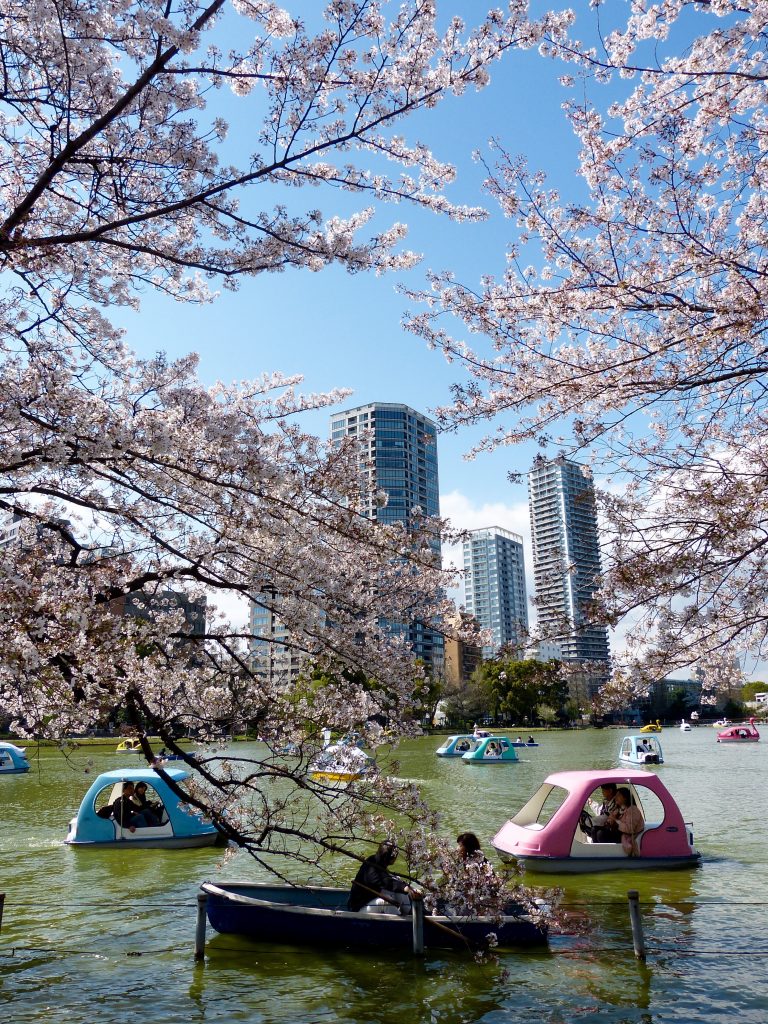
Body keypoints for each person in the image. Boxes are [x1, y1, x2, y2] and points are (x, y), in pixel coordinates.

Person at [349, 841, 421, 913]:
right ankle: (402, 922)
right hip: (360, 908)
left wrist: (411, 889)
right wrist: (405, 888)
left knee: (397, 881)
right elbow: (387, 882)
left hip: (372, 898)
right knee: (386, 902)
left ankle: (409, 911)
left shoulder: (377, 861)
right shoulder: (371, 867)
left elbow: (390, 880)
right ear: (391, 858)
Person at [610, 786, 645, 856]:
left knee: (600, 834)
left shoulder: (632, 810)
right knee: (595, 830)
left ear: (625, 798)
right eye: (616, 795)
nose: (615, 797)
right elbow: (611, 820)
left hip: (627, 834)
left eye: (618, 795)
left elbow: (629, 829)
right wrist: (610, 820)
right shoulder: (619, 808)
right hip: (619, 832)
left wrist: (616, 820)